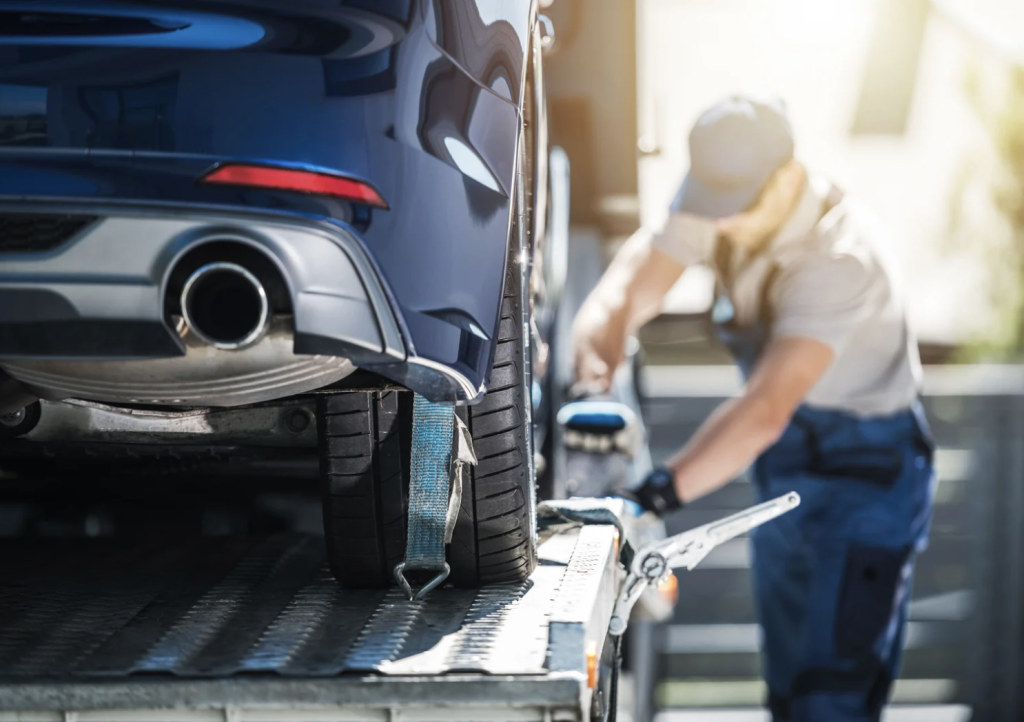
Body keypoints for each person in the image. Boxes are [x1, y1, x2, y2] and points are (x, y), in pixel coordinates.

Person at [573, 94, 936, 722]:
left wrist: (652, 498)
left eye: (738, 208)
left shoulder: (840, 260)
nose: (723, 226)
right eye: (712, 208)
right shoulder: (719, 194)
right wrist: (597, 355)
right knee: (790, 675)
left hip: (865, 475)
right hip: (789, 458)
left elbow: (765, 407)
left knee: (832, 692)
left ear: (788, 177)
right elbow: (631, 288)